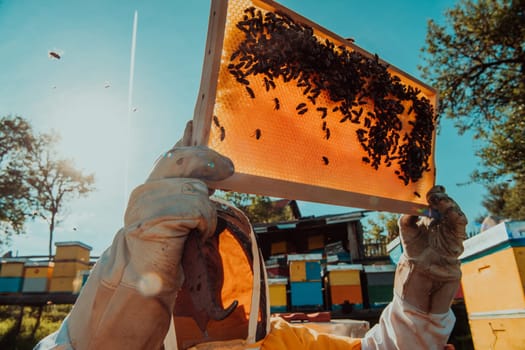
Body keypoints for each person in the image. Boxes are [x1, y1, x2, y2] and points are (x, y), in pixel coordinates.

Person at [35, 121, 467, 350]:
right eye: (180, 248)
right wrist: (119, 313)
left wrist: (424, 292)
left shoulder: (283, 342)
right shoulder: (107, 337)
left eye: (216, 247)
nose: (202, 265)